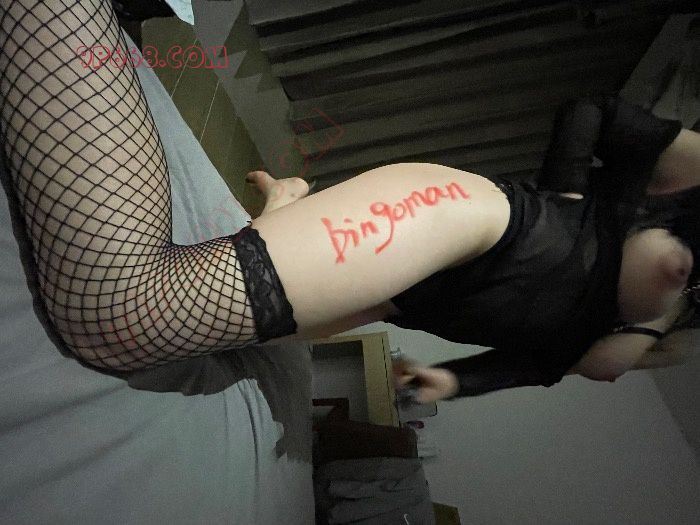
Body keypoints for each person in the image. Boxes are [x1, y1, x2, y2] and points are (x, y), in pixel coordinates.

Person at [0, 0, 697, 395]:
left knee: (206, 335)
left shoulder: (610, 334)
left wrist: (453, 382)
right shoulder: (662, 222)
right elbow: (593, 110)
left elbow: (546, 364)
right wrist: (571, 193)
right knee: (124, 313)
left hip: (405, 296)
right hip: (471, 229)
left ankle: (282, 211)